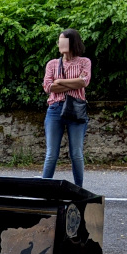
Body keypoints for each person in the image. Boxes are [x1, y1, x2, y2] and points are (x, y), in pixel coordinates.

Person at [41, 28, 91, 186]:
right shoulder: (52, 64)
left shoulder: (85, 62)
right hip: (55, 109)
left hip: (76, 110)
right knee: (51, 154)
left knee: (76, 153)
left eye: (63, 40)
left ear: (72, 42)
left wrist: (59, 82)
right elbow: (48, 87)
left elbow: (84, 82)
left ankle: (79, 190)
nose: (59, 43)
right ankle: (43, 190)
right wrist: (73, 83)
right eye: (59, 40)